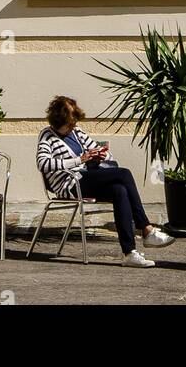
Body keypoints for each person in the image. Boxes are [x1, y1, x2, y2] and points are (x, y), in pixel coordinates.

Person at [36, 95, 174, 268]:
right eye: (69, 124)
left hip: (87, 178)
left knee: (119, 190)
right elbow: (42, 163)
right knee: (124, 174)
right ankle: (146, 229)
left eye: (74, 123)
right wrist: (79, 160)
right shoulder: (47, 135)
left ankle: (129, 253)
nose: (73, 127)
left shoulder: (77, 133)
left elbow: (106, 154)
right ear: (58, 121)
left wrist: (101, 155)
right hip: (70, 184)